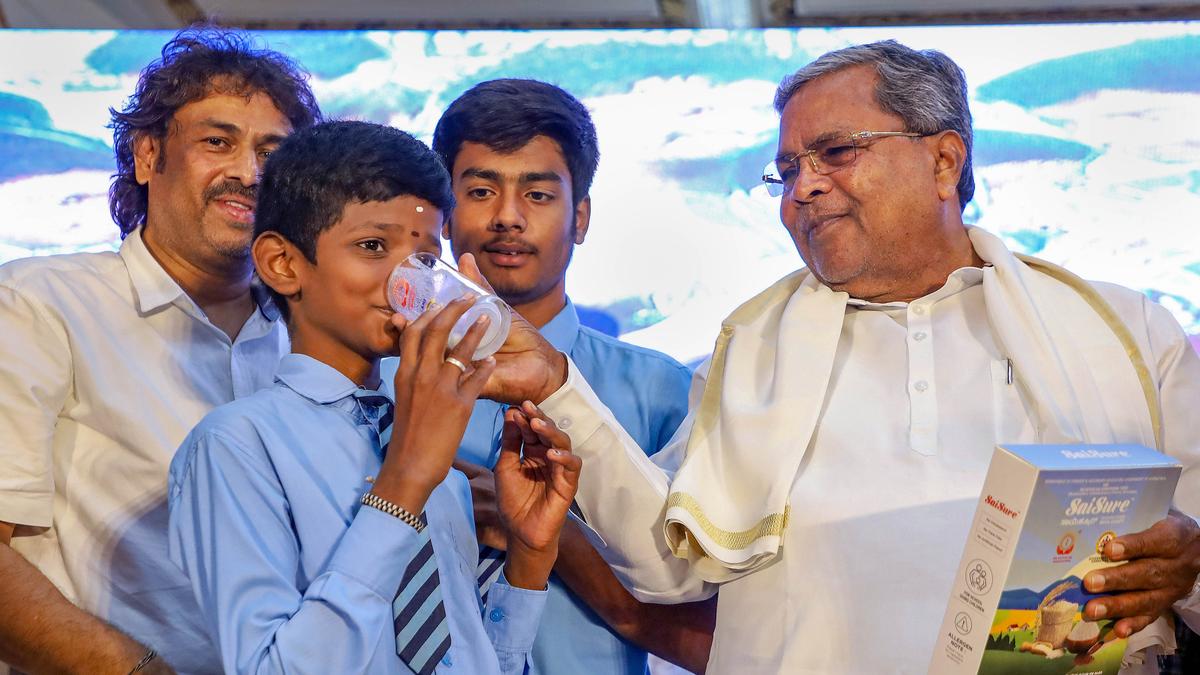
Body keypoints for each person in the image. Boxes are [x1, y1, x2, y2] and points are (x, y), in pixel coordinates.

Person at [475, 41, 1200, 673]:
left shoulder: (1125, 331)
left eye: (837, 152)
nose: (804, 187)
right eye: (786, 170)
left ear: (944, 161)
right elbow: (667, 561)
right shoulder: (754, 350)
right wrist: (559, 384)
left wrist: (1188, 562)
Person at [167, 120, 582, 674]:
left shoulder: (434, 462)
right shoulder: (236, 447)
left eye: (426, 260)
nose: (406, 284)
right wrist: (404, 484)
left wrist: (528, 561)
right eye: (372, 247)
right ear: (283, 264)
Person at [0, 27, 319, 674]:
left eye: (272, 151)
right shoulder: (40, 304)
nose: (247, 172)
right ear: (147, 156)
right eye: (216, 141)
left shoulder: (306, 337)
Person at [421, 78, 713, 674]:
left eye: (538, 195)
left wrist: (549, 539)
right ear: (445, 216)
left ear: (580, 217)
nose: (507, 217)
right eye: (481, 190)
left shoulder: (662, 392)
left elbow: (714, 633)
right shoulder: (389, 385)